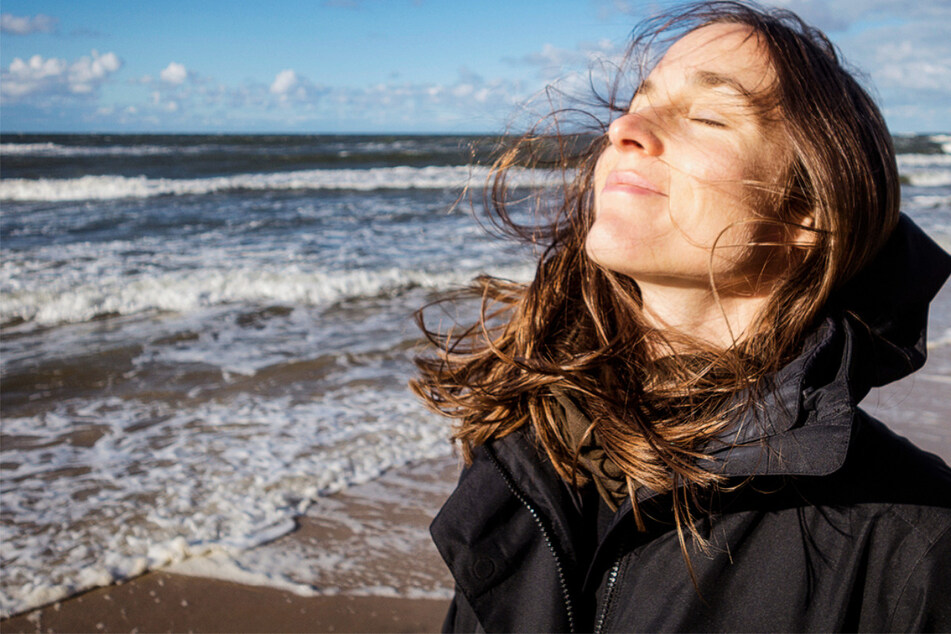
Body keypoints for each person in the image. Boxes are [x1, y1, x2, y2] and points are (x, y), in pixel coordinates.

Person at [412, 1, 951, 631]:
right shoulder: (531, 449)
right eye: (637, 102)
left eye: (706, 116)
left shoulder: (914, 543)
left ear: (806, 211)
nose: (625, 128)